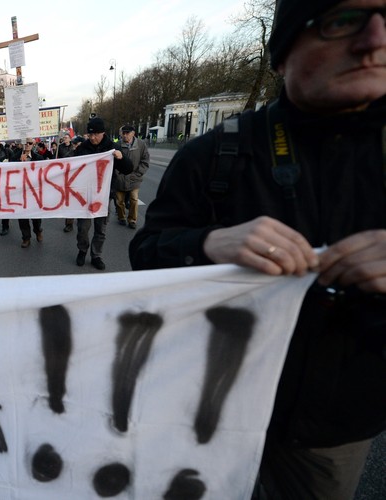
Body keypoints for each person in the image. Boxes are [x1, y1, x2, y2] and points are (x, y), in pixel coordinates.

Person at [130, 1, 386, 497]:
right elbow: (146, 253)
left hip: (329, 430)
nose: (374, 41)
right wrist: (205, 244)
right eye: (341, 20)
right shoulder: (213, 154)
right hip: (206, 406)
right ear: (283, 53)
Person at [73, 118, 124, 270]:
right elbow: (68, 164)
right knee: (82, 228)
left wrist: (121, 157)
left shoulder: (112, 147)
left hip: (103, 196)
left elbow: (128, 168)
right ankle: (82, 250)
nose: (92, 138)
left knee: (100, 229)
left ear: (103, 133)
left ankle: (96, 255)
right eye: (90, 135)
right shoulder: (82, 148)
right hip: (85, 196)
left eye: (95, 134)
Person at [112, 125, 149, 229]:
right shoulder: (117, 145)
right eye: (123, 133)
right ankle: (121, 217)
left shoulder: (141, 145)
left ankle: (132, 220)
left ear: (133, 133)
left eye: (127, 133)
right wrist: (117, 174)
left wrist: (138, 174)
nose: (125, 135)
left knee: (134, 199)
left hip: (134, 179)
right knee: (119, 200)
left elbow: (145, 161)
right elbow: (112, 162)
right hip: (120, 178)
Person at [13, 138, 44, 248]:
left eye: (30, 143)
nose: (27, 145)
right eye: (25, 143)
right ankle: (26, 238)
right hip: (20, 192)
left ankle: (38, 231)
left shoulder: (38, 158)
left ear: (33, 144)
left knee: (36, 216)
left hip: (34, 192)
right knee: (22, 217)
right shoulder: (14, 157)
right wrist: (19, 163)